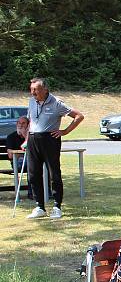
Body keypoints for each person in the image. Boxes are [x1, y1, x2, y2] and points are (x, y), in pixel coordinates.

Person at [26, 77, 84, 220]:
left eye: (36, 89)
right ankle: (39, 206)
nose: (33, 93)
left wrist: (64, 131)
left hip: (50, 140)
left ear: (45, 89)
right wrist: (27, 139)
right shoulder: (31, 102)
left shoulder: (56, 103)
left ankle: (57, 206)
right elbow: (31, 121)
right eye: (31, 89)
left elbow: (79, 116)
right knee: (33, 174)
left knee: (54, 174)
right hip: (33, 139)